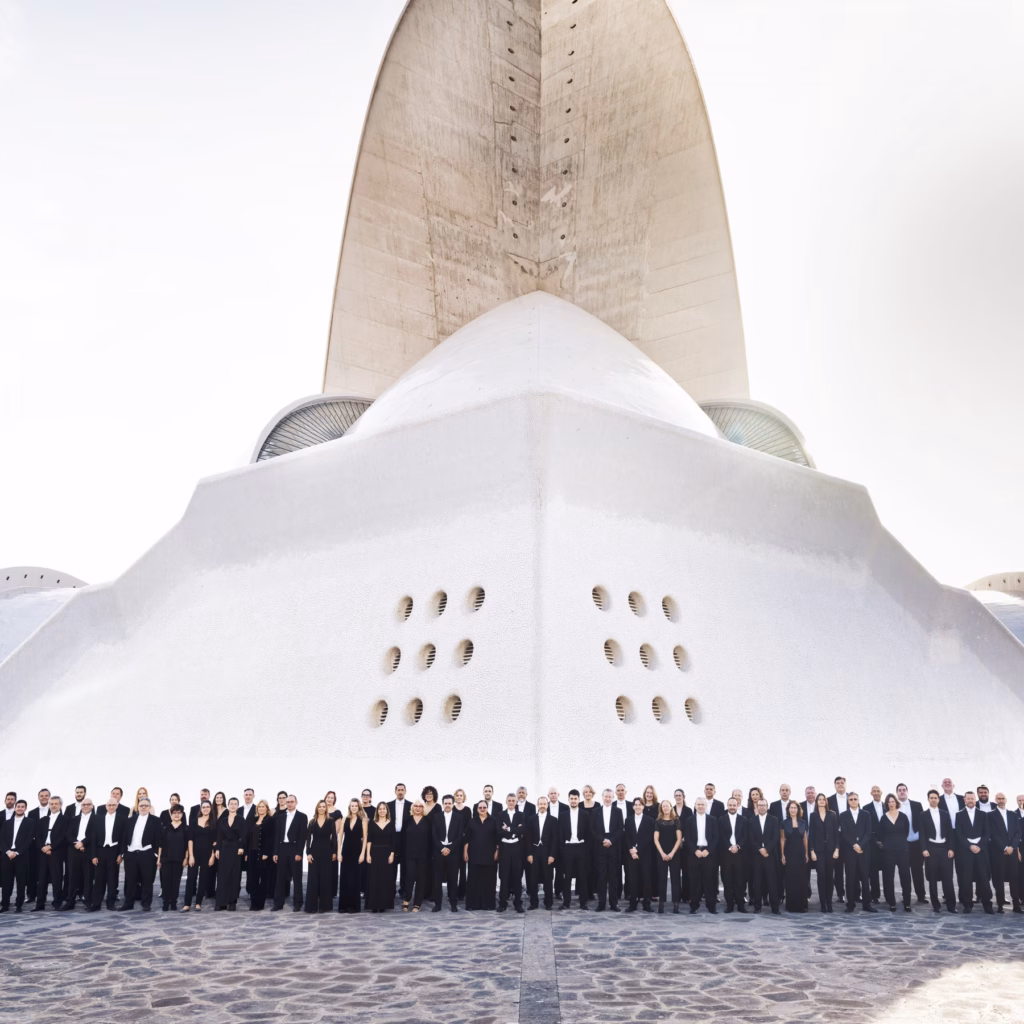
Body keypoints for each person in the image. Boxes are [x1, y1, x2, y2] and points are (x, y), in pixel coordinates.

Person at [119, 797, 162, 911]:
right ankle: (128, 903)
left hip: (147, 854)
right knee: (130, 880)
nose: (143, 807)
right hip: (131, 854)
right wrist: (123, 854)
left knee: (147, 880)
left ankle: (146, 903)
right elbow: (124, 837)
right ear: (137, 807)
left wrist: (155, 855)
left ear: (149, 807)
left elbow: (159, 839)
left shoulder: (156, 821)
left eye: (146, 806)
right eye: (141, 805)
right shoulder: (130, 820)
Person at [955, 791, 993, 913]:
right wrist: (969, 846)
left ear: (975, 800)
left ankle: (987, 904)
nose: (970, 800)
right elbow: (959, 834)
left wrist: (980, 846)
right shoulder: (959, 815)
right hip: (966, 851)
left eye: (972, 798)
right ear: (964, 800)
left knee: (984, 877)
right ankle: (967, 904)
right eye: (968, 798)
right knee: (966, 879)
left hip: (981, 851)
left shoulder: (983, 814)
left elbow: (987, 833)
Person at [920, 788, 956, 913]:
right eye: (931, 798)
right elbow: (922, 834)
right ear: (928, 800)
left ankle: (951, 905)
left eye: (935, 798)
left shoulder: (945, 814)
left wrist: (951, 848)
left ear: (938, 799)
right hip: (931, 849)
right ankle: (936, 905)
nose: (934, 800)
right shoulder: (923, 815)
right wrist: (924, 849)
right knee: (933, 879)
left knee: (948, 878)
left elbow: (951, 832)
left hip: (945, 848)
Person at [839, 792, 875, 913]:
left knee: (865, 878)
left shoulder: (866, 814)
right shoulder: (843, 815)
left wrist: (860, 845)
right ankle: (850, 905)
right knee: (850, 878)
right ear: (848, 801)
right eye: (851, 799)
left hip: (864, 851)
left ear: (858, 800)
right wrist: (854, 845)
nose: (853, 801)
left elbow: (869, 832)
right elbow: (844, 833)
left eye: (855, 799)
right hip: (850, 851)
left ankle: (867, 904)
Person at [60, 797, 97, 911]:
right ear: (81, 806)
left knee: (88, 877)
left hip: (88, 851)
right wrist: (76, 844)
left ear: (92, 806)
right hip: (73, 850)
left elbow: (95, 835)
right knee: (72, 877)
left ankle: (88, 902)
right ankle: (70, 901)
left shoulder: (97, 819)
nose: (85, 806)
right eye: (83, 804)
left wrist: (83, 843)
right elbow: (68, 834)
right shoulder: (73, 819)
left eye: (88, 804)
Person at [272, 794, 307, 912]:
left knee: (297, 878)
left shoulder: (302, 817)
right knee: (280, 878)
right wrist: (275, 852)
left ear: (296, 802)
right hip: (282, 849)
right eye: (288, 802)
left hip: (294, 849)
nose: (290, 804)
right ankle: (278, 904)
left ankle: (298, 903)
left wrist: (299, 852)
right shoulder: (281, 817)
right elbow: (277, 835)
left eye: (292, 801)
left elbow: (303, 836)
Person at [90, 798, 126, 912]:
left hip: (114, 851)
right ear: (106, 806)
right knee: (99, 879)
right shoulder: (98, 819)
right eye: (109, 805)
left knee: (112, 879)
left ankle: (110, 903)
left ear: (117, 806)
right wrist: (94, 855)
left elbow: (123, 839)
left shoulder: (122, 819)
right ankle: (96, 904)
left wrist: (121, 854)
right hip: (100, 851)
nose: (111, 807)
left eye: (113, 805)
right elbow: (93, 838)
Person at [590, 789, 623, 912]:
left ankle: (614, 904)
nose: (608, 799)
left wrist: (611, 841)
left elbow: (621, 828)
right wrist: (602, 840)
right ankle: (601, 903)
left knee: (613, 877)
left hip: (614, 847)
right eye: (606, 796)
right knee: (601, 877)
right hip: (600, 847)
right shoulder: (595, 812)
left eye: (610, 797)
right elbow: (592, 830)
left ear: (613, 798)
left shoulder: (618, 811)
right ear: (602, 797)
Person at [33, 794, 66, 911]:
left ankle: (57, 903)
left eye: (56, 804)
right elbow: (38, 836)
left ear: (60, 805)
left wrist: (51, 847)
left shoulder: (65, 819)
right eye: (51, 804)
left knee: (57, 879)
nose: (53, 806)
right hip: (43, 853)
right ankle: (40, 904)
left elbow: (63, 837)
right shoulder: (43, 820)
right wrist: (43, 847)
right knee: (41, 880)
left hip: (56, 853)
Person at [684, 797, 718, 913]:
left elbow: (715, 837)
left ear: (705, 806)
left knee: (710, 881)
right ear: (695, 806)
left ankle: (711, 906)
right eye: (698, 804)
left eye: (702, 804)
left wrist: (708, 850)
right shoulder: (689, 820)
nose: (700, 806)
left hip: (709, 854)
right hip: (694, 854)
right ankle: (694, 906)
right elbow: (687, 838)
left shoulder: (712, 820)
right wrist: (695, 850)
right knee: (694, 881)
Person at [465, 800, 499, 911]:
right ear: (477, 809)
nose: (482, 809)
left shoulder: (493, 821)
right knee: (473, 881)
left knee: (489, 881)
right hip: (474, 855)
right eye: (480, 807)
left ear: (487, 808)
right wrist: (465, 852)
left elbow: (497, 838)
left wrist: (497, 851)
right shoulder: (472, 821)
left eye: (484, 807)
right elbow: (467, 839)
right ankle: (472, 905)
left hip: (490, 856)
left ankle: (488, 904)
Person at [880, 793, 912, 912]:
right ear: (887, 804)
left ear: (896, 803)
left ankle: (907, 903)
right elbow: (881, 834)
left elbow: (906, 832)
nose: (891, 804)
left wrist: (900, 842)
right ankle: (892, 903)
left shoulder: (903, 816)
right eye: (889, 802)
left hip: (903, 850)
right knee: (889, 877)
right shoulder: (883, 818)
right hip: (888, 851)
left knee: (905, 876)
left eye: (893, 801)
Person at [431, 794, 463, 912]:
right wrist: (442, 848)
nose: (448, 805)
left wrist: (450, 849)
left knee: (453, 879)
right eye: (446, 803)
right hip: (439, 852)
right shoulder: (436, 817)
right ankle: (437, 904)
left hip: (453, 852)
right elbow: (433, 835)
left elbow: (460, 836)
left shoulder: (459, 818)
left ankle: (453, 904)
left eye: (450, 803)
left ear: (453, 804)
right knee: (437, 879)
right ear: (443, 804)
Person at [213, 798, 246, 911]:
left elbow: (244, 835)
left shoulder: (241, 820)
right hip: (224, 849)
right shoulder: (223, 820)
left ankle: (232, 902)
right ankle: (221, 902)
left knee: (234, 875)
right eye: (231, 804)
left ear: (238, 806)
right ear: (228, 805)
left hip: (236, 849)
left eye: (235, 804)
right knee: (222, 875)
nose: (233, 806)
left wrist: (241, 847)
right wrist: (217, 849)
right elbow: (219, 836)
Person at [305, 800, 337, 913]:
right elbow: (308, 839)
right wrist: (308, 853)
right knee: (313, 879)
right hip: (314, 852)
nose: (322, 808)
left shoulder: (330, 821)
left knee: (325, 879)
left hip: (327, 852)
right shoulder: (312, 822)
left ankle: (325, 906)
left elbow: (334, 838)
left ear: (326, 808)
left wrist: (334, 852)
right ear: (317, 808)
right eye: (320, 806)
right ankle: (311, 906)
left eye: (324, 806)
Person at [182, 799, 215, 912]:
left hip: (207, 854)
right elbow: (190, 840)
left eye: (207, 807)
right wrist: (190, 855)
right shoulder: (194, 821)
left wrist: (212, 856)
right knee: (191, 878)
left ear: (210, 809)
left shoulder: (213, 823)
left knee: (203, 879)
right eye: (203, 807)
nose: (205, 809)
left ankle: (198, 903)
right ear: (201, 809)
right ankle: (187, 904)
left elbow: (214, 842)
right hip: (194, 853)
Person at [989, 792, 1019, 912]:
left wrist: (1012, 847)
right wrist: (1004, 847)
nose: (1001, 800)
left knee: (1014, 879)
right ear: (995, 800)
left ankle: (1016, 905)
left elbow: (1018, 833)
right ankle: (1000, 904)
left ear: (1006, 800)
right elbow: (992, 834)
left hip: (1012, 852)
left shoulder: (1013, 814)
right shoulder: (990, 815)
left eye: (1003, 798)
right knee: (999, 879)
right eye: (999, 798)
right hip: (998, 852)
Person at [896, 784, 926, 904]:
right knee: (904, 871)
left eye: (904, 790)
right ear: (897, 793)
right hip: (901, 844)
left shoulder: (917, 805)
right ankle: (906, 895)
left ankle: (921, 896)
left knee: (917, 870)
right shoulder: (893, 806)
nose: (902, 792)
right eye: (899, 790)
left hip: (915, 842)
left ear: (907, 792)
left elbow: (923, 823)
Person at [559, 789, 589, 910]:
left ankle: (583, 903)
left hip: (581, 848)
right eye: (571, 798)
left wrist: (586, 849)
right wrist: (562, 848)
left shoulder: (585, 814)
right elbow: (560, 833)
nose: (573, 800)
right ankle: (566, 903)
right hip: (568, 848)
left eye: (575, 798)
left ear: (578, 799)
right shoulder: (563, 815)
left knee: (582, 876)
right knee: (567, 877)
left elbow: (588, 833)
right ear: (568, 799)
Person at [809, 793, 838, 913]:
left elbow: (836, 833)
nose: (821, 801)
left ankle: (829, 902)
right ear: (816, 802)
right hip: (818, 851)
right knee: (821, 876)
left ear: (826, 801)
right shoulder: (813, 815)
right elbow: (811, 835)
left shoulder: (832, 814)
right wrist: (812, 851)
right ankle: (823, 904)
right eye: (819, 799)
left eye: (823, 799)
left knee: (829, 877)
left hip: (831, 851)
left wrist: (837, 849)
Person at [748, 800, 780, 913]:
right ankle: (757, 907)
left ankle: (775, 907)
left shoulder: (774, 820)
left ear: (767, 807)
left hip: (769, 855)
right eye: (760, 805)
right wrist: (760, 849)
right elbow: (751, 838)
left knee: (772, 882)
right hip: (757, 856)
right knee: (757, 882)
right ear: (757, 807)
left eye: (764, 805)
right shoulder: (752, 820)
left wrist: (767, 849)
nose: (761, 807)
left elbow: (776, 837)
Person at [0, 800, 32, 911]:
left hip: (21, 856)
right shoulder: (7, 823)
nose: (20, 808)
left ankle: (19, 905)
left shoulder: (30, 822)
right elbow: (1, 839)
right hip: (7, 855)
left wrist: (18, 852)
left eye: (22, 807)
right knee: (6, 881)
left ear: (25, 809)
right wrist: (7, 851)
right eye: (18, 806)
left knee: (21, 881)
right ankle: (5, 904)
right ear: (15, 808)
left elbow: (28, 840)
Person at [496, 793, 525, 913]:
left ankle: (518, 903)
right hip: (505, 848)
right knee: (504, 876)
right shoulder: (500, 815)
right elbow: (498, 830)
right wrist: (515, 829)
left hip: (516, 847)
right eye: (509, 800)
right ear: (506, 801)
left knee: (517, 876)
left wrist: (508, 829)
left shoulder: (521, 815)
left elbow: (523, 829)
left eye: (513, 800)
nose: (511, 802)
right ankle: (502, 903)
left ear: (516, 802)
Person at [624, 797, 654, 912]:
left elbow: (649, 838)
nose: (637, 806)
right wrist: (632, 850)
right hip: (631, 854)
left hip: (645, 854)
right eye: (635, 804)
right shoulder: (628, 820)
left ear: (643, 806)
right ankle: (633, 903)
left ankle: (647, 903)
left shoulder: (649, 820)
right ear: (633, 807)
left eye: (639, 804)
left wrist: (638, 849)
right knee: (633, 879)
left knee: (646, 879)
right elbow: (626, 837)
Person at [338, 798, 367, 913]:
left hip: (357, 851)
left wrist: (362, 853)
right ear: (349, 807)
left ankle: (354, 906)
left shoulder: (363, 820)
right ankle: (343, 906)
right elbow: (340, 837)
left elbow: (365, 838)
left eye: (356, 805)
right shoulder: (345, 819)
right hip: (346, 851)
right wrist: (339, 852)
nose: (354, 807)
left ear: (359, 807)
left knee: (355, 879)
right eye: (352, 805)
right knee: (345, 878)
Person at [653, 799, 682, 914]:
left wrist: (671, 853)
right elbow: (656, 839)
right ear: (661, 808)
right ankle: (661, 904)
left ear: (671, 807)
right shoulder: (658, 821)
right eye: (663, 806)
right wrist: (663, 854)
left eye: (667, 806)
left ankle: (676, 904)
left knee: (675, 879)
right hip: (661, 853)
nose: (665, 808)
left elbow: (679, 839)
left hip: (674, 853)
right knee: (662, 879)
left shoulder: (676, 821)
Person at [366, 802, 395, 913]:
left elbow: (393, 841)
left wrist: (392, 854)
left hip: (387, 853)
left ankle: (383, 904)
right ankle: (374, 904)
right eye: (380, 809)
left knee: (385, 879)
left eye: (384, 809)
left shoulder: (391, 824)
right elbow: (369, 840)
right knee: (374, 878)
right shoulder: (372, 823)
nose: (382, 810)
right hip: (374, 852)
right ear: (377, 811)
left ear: (387, 810)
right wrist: (368, 854)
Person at [718, 796, 746, 913]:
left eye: (734, 805)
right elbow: (721, 835)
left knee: (740, 881)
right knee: (727, 880)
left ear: (737, 805)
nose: (732, 807)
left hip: (739, 854)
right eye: (730, 805)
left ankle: (740, 905)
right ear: (727, 806)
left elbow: (746, 836)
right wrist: (730, 847)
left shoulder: (743, 819)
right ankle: (729, 905)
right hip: (726, 854)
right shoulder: (721, 819)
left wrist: (738, 846)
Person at [403, 800, 432, 911]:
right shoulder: (407, 820)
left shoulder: (428, 821)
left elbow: (431, 839)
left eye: (420, 806)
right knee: (410, 877)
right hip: (409, 854)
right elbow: (402, 838)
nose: (418, 808)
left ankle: (417, 903)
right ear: (412, 807)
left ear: (423, 808)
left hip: (424, 855)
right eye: (416, 806)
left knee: (421, 879)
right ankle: (407, 899)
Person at [387, 783, 412, 904]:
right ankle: (390, 890)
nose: (400, 792)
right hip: (392, 837)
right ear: (395, 791)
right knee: (391, 865)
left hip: (406, 838)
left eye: (402, 790)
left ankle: (403, 890)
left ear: (405, 791)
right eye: (398, 790)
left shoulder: (411, 805)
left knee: (405, 866)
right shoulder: (388, 805)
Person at [25, 788, 51, 906]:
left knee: (46, 873)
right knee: (32, 872)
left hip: (50, 848)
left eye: (46, 796)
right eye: (42, 796)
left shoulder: (55, 811)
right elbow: (30, 831)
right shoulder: (32, 813)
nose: (44, 797)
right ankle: (31, 895)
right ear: (38, 797)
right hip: (35, 847)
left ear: (49, 797)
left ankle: (43, 896)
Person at [781, 800, 808, 913]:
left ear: (798, 810)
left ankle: (802, 905)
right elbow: (782, 839)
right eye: (791, 808)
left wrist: (806, 853)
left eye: (795, 808)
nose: (793, 809)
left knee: (801, 879)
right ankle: (791, 905)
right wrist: (782, 854)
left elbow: (805, 839)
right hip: (789, 853)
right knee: (790, 879)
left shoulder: (803, 822)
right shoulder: (784, 823)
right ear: (788, 810)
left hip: (801, 853)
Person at [248, 800, 274, 911]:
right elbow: (249, 837)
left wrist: (266, 853)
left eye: (263, 807)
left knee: (262, 880)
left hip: (263, 854)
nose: (261, 808)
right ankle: (253, 901)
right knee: (252, 878)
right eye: (259, 807)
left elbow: (270, 838)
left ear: (267, 808)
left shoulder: (270, 820)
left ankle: (259, 904)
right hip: (252, 852)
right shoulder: (253, 820)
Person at [827, 777, 848, 904]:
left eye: (842, 783)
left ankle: (856, 893)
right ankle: (840, 894)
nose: (840, 785)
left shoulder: (853, 797)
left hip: (850, 837)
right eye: (838, 783)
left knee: (853, 867)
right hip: (836, 837)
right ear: (834, 785)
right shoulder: (829, 800)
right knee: (838, 868)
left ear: (845, 784)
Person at [866, 785, 886, 903]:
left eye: (878, 791)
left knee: (887, 871)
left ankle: (889, 895)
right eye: (874, 791)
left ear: (881, 792)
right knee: (873, 871)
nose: (876, 793)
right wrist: (875, 840)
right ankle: (875, 896)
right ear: (871, 793)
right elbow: (867, 827)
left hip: (887, 843)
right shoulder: (866, 808)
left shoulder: (888, 806)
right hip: (873, 844)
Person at [453, 789, 471, 901]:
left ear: (463, 797)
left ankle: (462, 893)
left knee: (463, 869)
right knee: (453, 869)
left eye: (461, 795)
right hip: (453, 841)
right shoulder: (452, 808)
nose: (459, 797)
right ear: (455, 797)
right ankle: (453, 892)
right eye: (457, 795)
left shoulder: (468, 810)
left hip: (464, 842)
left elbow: (469, 827)